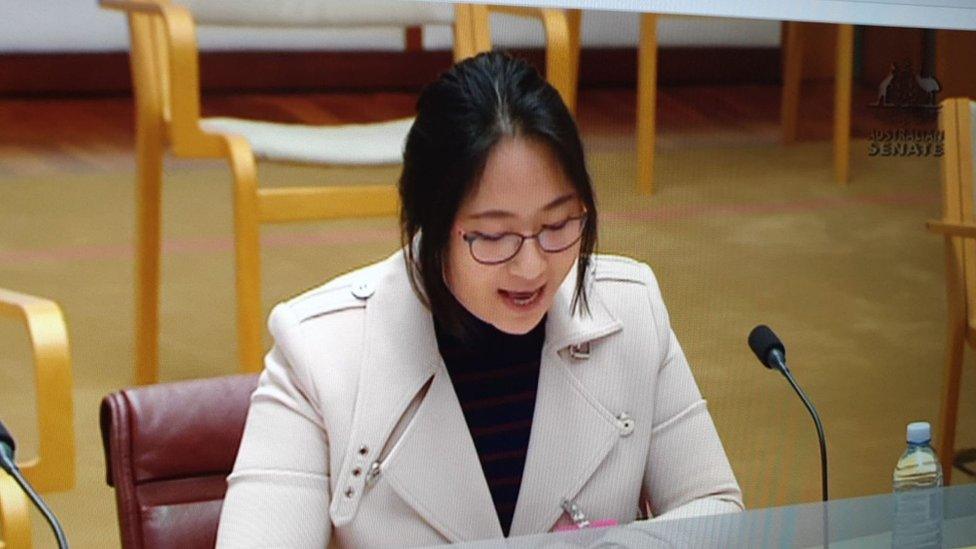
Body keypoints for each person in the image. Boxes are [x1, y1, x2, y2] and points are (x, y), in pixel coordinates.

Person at [216, 50, 742, 548]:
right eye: (493, 237)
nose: (532, 266)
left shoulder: (630, 309)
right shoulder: (321, 350)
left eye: (559, 224)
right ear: (429, 223)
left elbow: (714, 505)